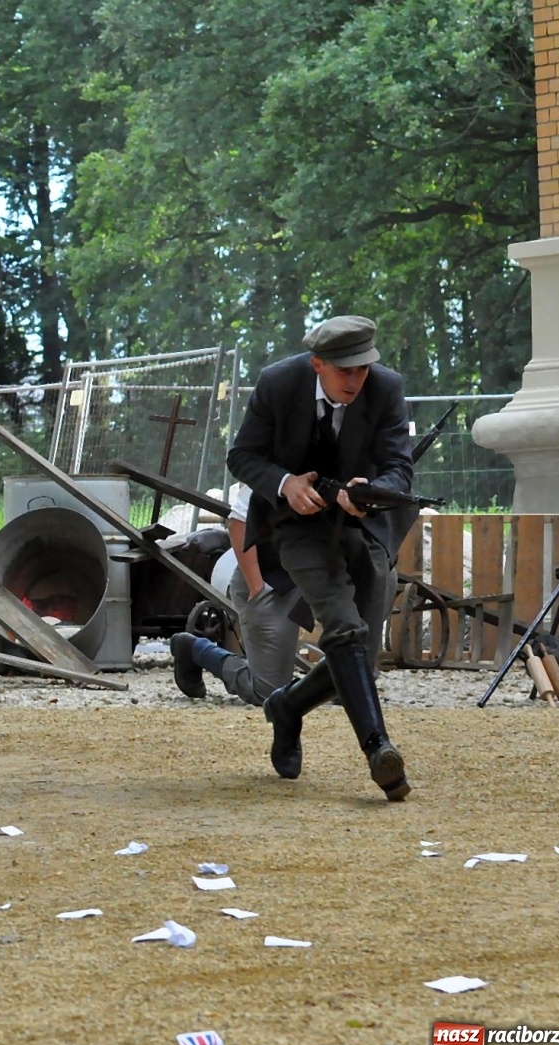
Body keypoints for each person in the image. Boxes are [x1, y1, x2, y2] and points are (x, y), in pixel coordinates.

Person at [228, 315, 414, 801]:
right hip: (296, 526)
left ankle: (287, 707)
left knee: (359, 660)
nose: (356, 380)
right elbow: (243, 455)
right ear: (317, 364)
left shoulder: (387, 388)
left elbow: (400, 468)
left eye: (363, 369)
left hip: (365, 526)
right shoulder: (278, 382)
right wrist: (285, 484)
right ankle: (379, 750)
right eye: (345, 371)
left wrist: (370, 492)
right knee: (343, 630)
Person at [170, 484, 302, 706]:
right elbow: (238, 521)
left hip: (316, 577)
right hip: (273, 580)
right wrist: (257, 588)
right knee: (268, 692)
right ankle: (196, 649)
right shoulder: (280, 462)